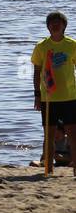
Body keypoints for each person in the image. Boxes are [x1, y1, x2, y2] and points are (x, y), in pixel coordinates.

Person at [33, 10, 76, 176]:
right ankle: (48, 169)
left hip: (70, 96)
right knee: (49, 135)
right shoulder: (42, 46)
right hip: (48, 97)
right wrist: (37, 94)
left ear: (64, 26)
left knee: (73, 134)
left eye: (58, 23)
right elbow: (37, 71)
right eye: (51, 23)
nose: (55, 25)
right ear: (47, 27)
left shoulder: (72, 45)